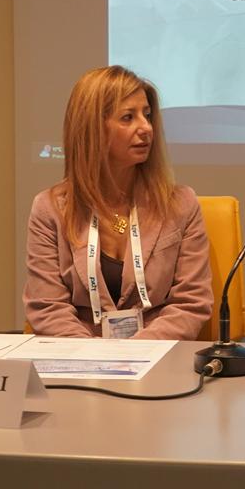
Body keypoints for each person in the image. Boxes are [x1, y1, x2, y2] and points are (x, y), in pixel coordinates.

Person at [24, 65, 213, 339]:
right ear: (93, 129)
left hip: (156, 353)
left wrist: (134, 353)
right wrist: (93, 356)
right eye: (128, 117)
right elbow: (47, 308)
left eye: (147, 115)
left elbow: (190, 303)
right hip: (78, 354)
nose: (146, 128)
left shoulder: (181, 204)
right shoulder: (49, 209)